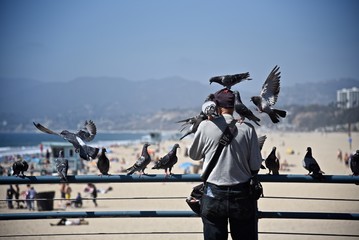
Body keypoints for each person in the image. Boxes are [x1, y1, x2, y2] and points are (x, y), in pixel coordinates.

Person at [188, 88, 263, 240]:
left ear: (216, 106)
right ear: (234, 106)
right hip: (241, 195)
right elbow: (255, 166)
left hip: (213, 195)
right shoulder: (248, 129)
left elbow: (193, 155)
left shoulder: (205, 126)